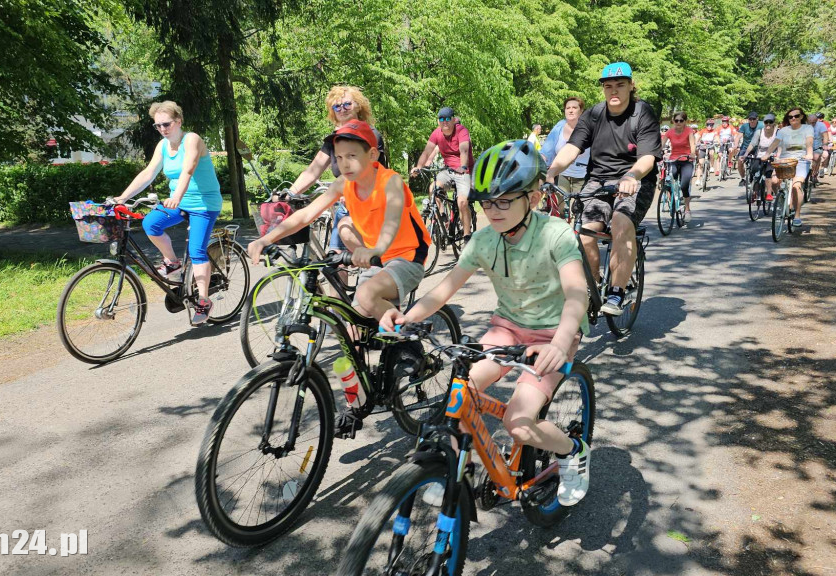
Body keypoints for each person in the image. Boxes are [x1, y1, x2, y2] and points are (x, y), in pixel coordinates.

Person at [382, 140, 591, 506]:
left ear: (535, 198)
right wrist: (407, 318)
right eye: (487, 202)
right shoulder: (482, 240)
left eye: (505, 201)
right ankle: (450, 467)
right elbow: (443, 290)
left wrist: (560, 341)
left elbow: (577, 292)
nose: (493, 210)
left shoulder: (555, 233)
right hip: (507, 328)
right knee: (458, 396)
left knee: (518, 423)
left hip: (551, 334)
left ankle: (573, 451)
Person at [247, 121, 430, 319]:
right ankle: (389, 337)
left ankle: (408, 338)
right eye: (339, 157)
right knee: (353, 323)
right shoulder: (344, 183)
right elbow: (306, 215)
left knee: (366, 295)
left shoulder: (390, 181)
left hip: (408, 257)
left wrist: (376, 249)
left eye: (352, 156)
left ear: (372, 155)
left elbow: (391, 222)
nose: (344, 163)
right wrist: (266, 239)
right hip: (378, 259)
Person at [546, 61, 662, 315]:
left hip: (636, 180)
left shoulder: (642, 113)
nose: (614, 91)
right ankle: (594, 284)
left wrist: (631, 175)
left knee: (621, 221)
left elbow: (647, 158)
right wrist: (552, 171)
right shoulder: (594, 115)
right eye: (608, 86)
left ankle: (617, 292)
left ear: (631, 86)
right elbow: (572, 147)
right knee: (585, 232)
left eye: (620, 85)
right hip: (598, 182)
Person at [114, 101, 222, 324]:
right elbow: (148, 173)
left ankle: (203, 301)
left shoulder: (192, 139)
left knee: (196, 251)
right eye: (158, 125)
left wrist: (177, 197)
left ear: (178, 122)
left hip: (203, 203)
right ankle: (172, 263)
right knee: (151, 224)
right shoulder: (163, 145)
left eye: (166, 124)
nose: (162, 129)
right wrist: (122, 197)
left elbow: (188, 169)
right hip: (179, 203)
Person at [287, 86, 388, 253]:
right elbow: (313, 170)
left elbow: (369, 173)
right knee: (337, 260)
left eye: (347, 104)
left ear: (358, 106)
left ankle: (378, 273)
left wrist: (352, 190)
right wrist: (290, 193)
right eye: (337, 106)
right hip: (346, 206)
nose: (342, 109)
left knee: (372, 259)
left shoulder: (370, 135)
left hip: (371, 207)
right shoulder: (334, 139)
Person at [411, 107, 475, 241]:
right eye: (441, 119)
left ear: (453, 119)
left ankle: (467, 236)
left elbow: (464, 150)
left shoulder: (461, 131)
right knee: (433, 188)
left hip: (463, 171)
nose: (444, 122)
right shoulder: (436, 133)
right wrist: (418, 167)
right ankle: (442, 215)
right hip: (448, 170)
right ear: (438, 121)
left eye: (447, 119)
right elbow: (427, 151)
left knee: (462, 202)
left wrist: (463, 166)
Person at [765, 107, 814, 228]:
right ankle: (781, 201)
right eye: (790, 117)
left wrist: (809, 153)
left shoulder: (807, 128)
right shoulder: (784, 130)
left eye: (796, 116)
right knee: (775, 181)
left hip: (801, 160)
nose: (793, 119)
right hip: (784, 160)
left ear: (801, 117)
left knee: (796, 186)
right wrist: (767, 154)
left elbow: (809, 142)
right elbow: (775, 143)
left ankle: (797, 215)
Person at [541, 97, 590, 205]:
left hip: (583, 176)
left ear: (581, 110)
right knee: (559, 207)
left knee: (577, 208)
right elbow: (546, 151)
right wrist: (539, 168)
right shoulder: (559, 127)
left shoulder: (588, 127)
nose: (571, 110)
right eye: (568, 108)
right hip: (562, 174)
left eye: (574, 107)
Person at [661, 111, 698, 219]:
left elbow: (692, 144)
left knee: (684, 185)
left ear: (685, 122)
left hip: (686, 160)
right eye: (676, 120)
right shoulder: (670, 132)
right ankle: (672, 199)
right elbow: (662, 145)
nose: (678, 122)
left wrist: (692, 153)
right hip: (674, 160)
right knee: (670, 179)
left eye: (681, 120)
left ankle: (687, 209)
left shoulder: (689, 131)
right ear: (673, 121)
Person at [746, 113, 780, 201]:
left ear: (773, 123)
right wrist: (745, 154)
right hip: (760, 155)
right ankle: (755, 191)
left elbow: (781, 146)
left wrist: (778, 156)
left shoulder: (778, 132)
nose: (768, 124)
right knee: (754, 171)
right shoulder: (759, 132)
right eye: (766, 122)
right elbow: (752, 144)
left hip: (772, 155)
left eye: (770, 122)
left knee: (769, 173)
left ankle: (769, 193)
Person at [737, 112, 763, 185]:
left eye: (754, 119)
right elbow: (738, 136)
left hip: (757, 147)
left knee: (758, 163)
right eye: (750, 119)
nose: (752, 121)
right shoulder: (744, 126)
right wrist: (735, 145)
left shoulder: (762, 125)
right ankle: (743, 178)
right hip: (745, 146)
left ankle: (759, 177)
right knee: (739, 161)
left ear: (757, 119)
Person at [693, 118, 719, 188]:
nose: (709, 126)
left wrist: (717, 142)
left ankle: (711, 166)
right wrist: (696, 143)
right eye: (708, 124)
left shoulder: (714, 131)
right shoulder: (703, 131)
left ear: (713, 125)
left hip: (710, 146)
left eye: (711, 125)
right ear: (706, 125)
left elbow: (717, 137)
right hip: (702, 147)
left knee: (711, 153)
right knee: (700, 164)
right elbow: (697, 136)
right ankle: (698, 179)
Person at [807, 113, 829, 182]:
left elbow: (825, 136)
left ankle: (814, 174)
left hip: (817, 146)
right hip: (806, 146)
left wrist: (825, 144)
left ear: (816, 121)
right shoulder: (803, 125)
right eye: (809, 123)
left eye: (813, 123)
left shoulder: (821, 125)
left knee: (816, 157)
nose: (811, 124)